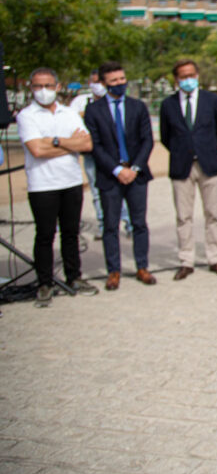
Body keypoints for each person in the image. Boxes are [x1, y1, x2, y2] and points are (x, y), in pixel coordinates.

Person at [17, 67, 99, 305]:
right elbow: (37, 150)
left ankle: (74, 276)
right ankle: (45, 283)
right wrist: (68, 144)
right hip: (42, 184)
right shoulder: (26, 116)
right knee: (45, 235)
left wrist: (54, 140)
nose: (43, 91)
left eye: (48, 86)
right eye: (38, 86)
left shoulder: (69, 113)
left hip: (71, 181)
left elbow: (86, 144)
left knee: (71, 233)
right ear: (31, 88)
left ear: (58, 87)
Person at [83, 61, 157, 290]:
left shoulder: (138, 106)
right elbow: (94, 145)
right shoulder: (94, 110)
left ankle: (142, 267)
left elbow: (147, 140)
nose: (119, 84)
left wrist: (134, 168)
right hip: (110, 176)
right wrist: (117, 170)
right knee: (110, 225)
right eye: (114, 81)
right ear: (104, 83)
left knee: (139, 224)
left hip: (136, 175)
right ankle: (113, 271)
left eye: (122, 79)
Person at [159, 59, 217, 280]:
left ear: (197, 75)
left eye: (191, 75)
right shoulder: (168, 104)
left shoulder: (211, 100)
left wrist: (206, 150)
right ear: (176, 79)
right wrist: (185, 151)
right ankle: (186, 260)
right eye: (183, 76)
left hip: (208, 164)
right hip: (182, 166)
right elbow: (165, 137)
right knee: (183, 216)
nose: (188, 79)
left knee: (213, 214)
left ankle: (214, 257)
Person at [69, 70, 131, 241]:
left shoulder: (117, 102)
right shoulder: (81, 102)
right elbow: (73, 128)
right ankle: (104, 224)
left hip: (114, 153)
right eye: (94, 81)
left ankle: (128, 223)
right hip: (91, 154)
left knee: (122, 188)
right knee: (97, 192)